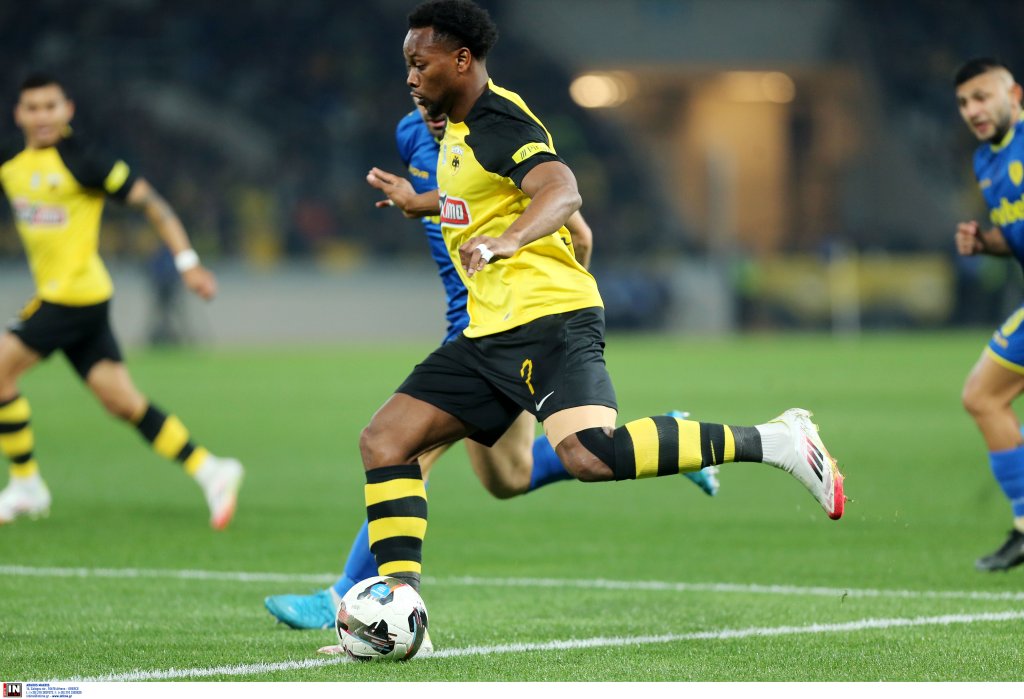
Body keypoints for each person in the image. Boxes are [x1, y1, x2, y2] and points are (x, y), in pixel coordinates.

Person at [356, 0, 843, 601]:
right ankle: (397, 606)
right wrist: (421, 202)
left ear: (460, 60)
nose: (410, 78)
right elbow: (479, 192)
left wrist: (510, 240)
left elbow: (563, 190)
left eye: (420, 64)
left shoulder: (498, 120)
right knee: (387, 440)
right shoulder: (457, 129)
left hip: (548, 321)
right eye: (407, 64)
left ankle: (777, 441)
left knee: (590, 456)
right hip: (489, 332)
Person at [263, 100, 720, 630]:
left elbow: (580, 233)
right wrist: (420, 203)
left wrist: (557, 327)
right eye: (416, 87)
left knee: (402, 451)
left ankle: (348, 596)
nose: (426, 105)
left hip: (511, 327)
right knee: (509, 477)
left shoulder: (496, 130)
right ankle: (670, 438)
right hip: (469, 329)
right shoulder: (413, 134)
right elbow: (457, 201)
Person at [0, 73, 243, 529]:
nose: (42, 116)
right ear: (18, 114)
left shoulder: (86, 161)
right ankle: (210, 468)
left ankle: (26, 484)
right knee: (123, 403)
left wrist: (188, 263)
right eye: (32, 107)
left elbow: (154, 205)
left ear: (68, 110)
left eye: (50, 106)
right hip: (83, 299)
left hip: (71, 297)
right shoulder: (10, 162)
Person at [953, 57, 1024, 572]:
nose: (972, 110)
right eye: (963, 103)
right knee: (983, 396)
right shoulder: (986, 161)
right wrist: (986, 243)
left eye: (981, 97)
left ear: (1014, 95)